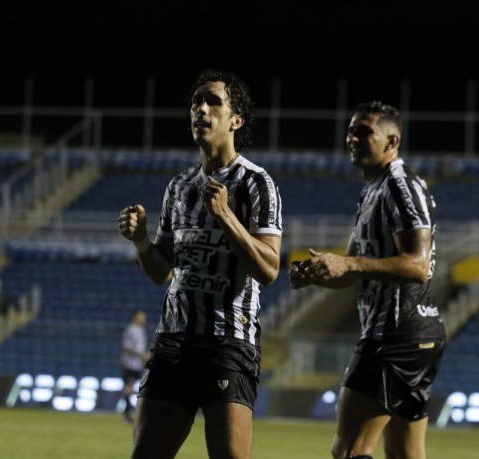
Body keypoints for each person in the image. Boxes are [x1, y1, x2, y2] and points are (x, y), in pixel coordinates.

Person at [118, 69, 283, 459]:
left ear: (235, 120)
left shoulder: (256, 184)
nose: (202, 109)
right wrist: (141, 239)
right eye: (196, 102)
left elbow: (269, 269)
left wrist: (226, 217)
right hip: (173, 341)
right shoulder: (178, 187)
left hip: (228, 344)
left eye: (213, 102)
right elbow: (162, 272)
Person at [289, 101, 446, 459]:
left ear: (392, 141)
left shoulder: (401, 187)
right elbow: (351, 272)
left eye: (364, 131)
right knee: (405, 453)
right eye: (350, 130)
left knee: (349, 449)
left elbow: (418, 265)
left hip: (395, 334)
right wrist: (318, 275)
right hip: (412, 336)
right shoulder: (373, 189)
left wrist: (349, 264)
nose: (352, 138)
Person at [120, 308, 150, 424]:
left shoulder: (141, 330)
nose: (144, 318)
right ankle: (127, 413)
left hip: (137, 365)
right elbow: (127, 347)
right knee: (128, 388)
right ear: (135, 317)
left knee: (129, 388)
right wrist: (141, 355)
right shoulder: (131, 330)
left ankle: (128, 413)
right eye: (141, 316)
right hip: (129, 364)